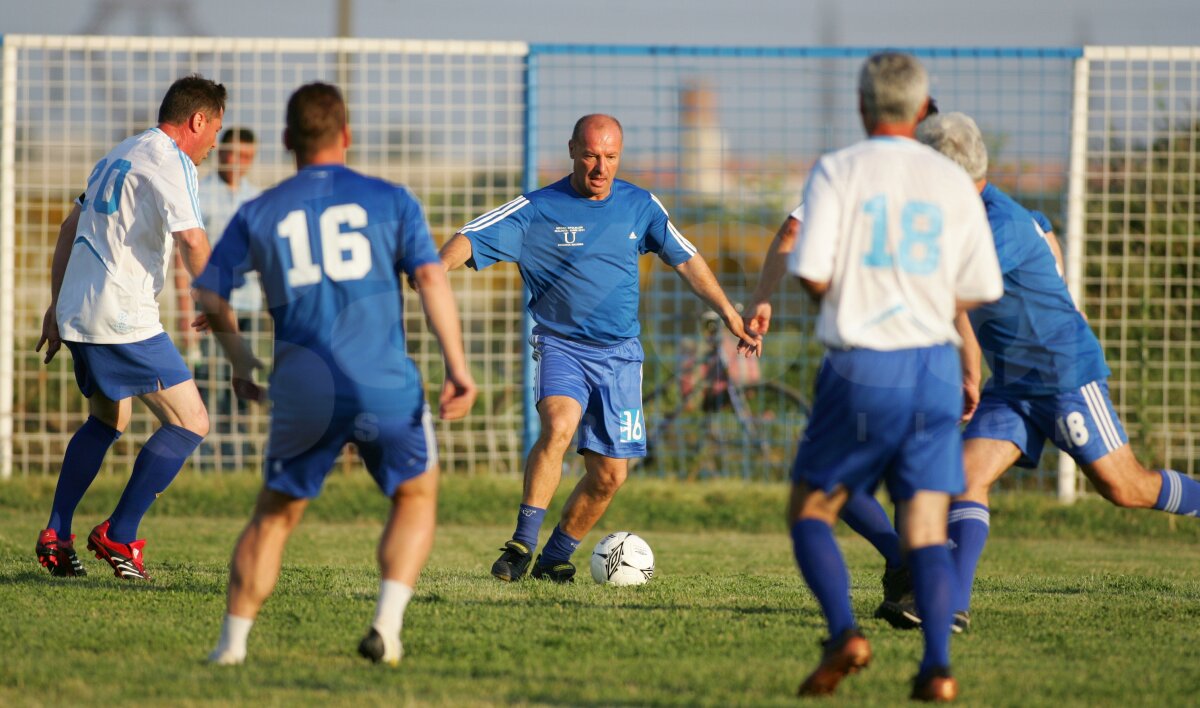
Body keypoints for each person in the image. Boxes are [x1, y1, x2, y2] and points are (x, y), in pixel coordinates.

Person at [197, 82, 476, 666]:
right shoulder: (392, 199)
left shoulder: (259, 210)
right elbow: (430, 278)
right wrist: (457, 366)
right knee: (416, 493)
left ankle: (231, 648)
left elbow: (210, 293)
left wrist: (242, 363)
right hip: (383, 381)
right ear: (346, 136)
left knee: (274, 516)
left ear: (284, 141)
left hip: (303, 391)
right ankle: (386, 625)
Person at [438, 113, 759, 583]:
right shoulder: (537, 209)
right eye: (590, 155)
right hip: (561, 345)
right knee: (560, 426)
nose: (600, 167)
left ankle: (554, 559)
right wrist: (434, 270)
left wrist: (732, 315)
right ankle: (520, 546)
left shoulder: (639, 204)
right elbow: (469, 237)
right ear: (572, 150)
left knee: (611, 475)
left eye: (610, 157)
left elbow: (686, 260)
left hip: (622, 356)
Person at [913, 111, 1200, 632]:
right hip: (1014, 385)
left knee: (1127, 488)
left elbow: (950, 290)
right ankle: (950, 604)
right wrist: (973, 367)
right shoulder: (979, 214)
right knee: (964, 479)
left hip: (1064, 379)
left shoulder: (994, 225)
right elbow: (1043, 229)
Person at [785, 53, 1002, 701]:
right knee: (928, 525)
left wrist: (854, 301)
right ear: (921, 106)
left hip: (863, 362)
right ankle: (936, 666)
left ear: (861, 105)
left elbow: (811, 270)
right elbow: (980, 287)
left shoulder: (840, 170)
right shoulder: (952, 183)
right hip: (933, 361)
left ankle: (844, 634)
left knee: (810, 508)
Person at [34, 74, 225, 580]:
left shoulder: (120, 153)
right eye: (215, 132)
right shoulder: (173, 161)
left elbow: (68, 227)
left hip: (79, 309)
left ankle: (57, 531)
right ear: (197, 120)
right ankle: (119, 534)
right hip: (123, 316)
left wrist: (56, 306)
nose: (213, 145)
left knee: (107, 421)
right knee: (191, 422)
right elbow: (193, 240)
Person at [190, 127, 263, 466]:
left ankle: (236, 453)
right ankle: (206, 454)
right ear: (220, 154)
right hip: (211, 304)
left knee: (243, 377)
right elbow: (185, 255)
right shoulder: (200, 194)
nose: (237, 162)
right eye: (230, 153)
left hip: (248, 303)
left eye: (246, 156)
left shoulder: (255, 198)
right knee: (209, 378)